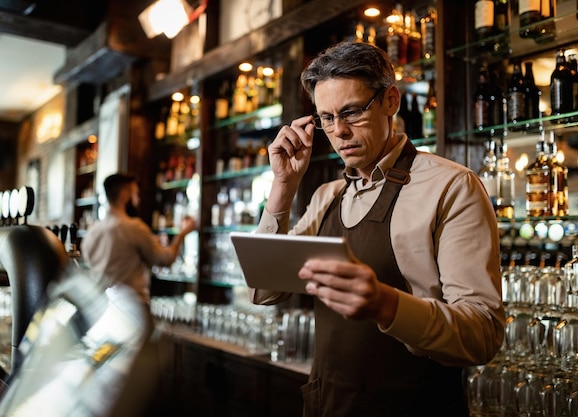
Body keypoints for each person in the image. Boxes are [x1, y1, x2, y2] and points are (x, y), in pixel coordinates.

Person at [248, 41, 505, 416]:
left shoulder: (451, 187)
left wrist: (385, 304)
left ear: (391, 101)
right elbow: (264, 290)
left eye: (352, 112)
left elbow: (482, 335)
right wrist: (283, 187)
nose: (339, 132)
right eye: (327, 118)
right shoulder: (327, 196)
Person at [81, 172, 196, 304]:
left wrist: (150, 241)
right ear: (124, 195)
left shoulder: (92, 232)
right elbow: (166, 259)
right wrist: (182, 234)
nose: (138, 200)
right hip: (133, 308)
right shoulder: (134, 228)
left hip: (104, 307)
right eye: (135, 194)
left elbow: (118, 252)